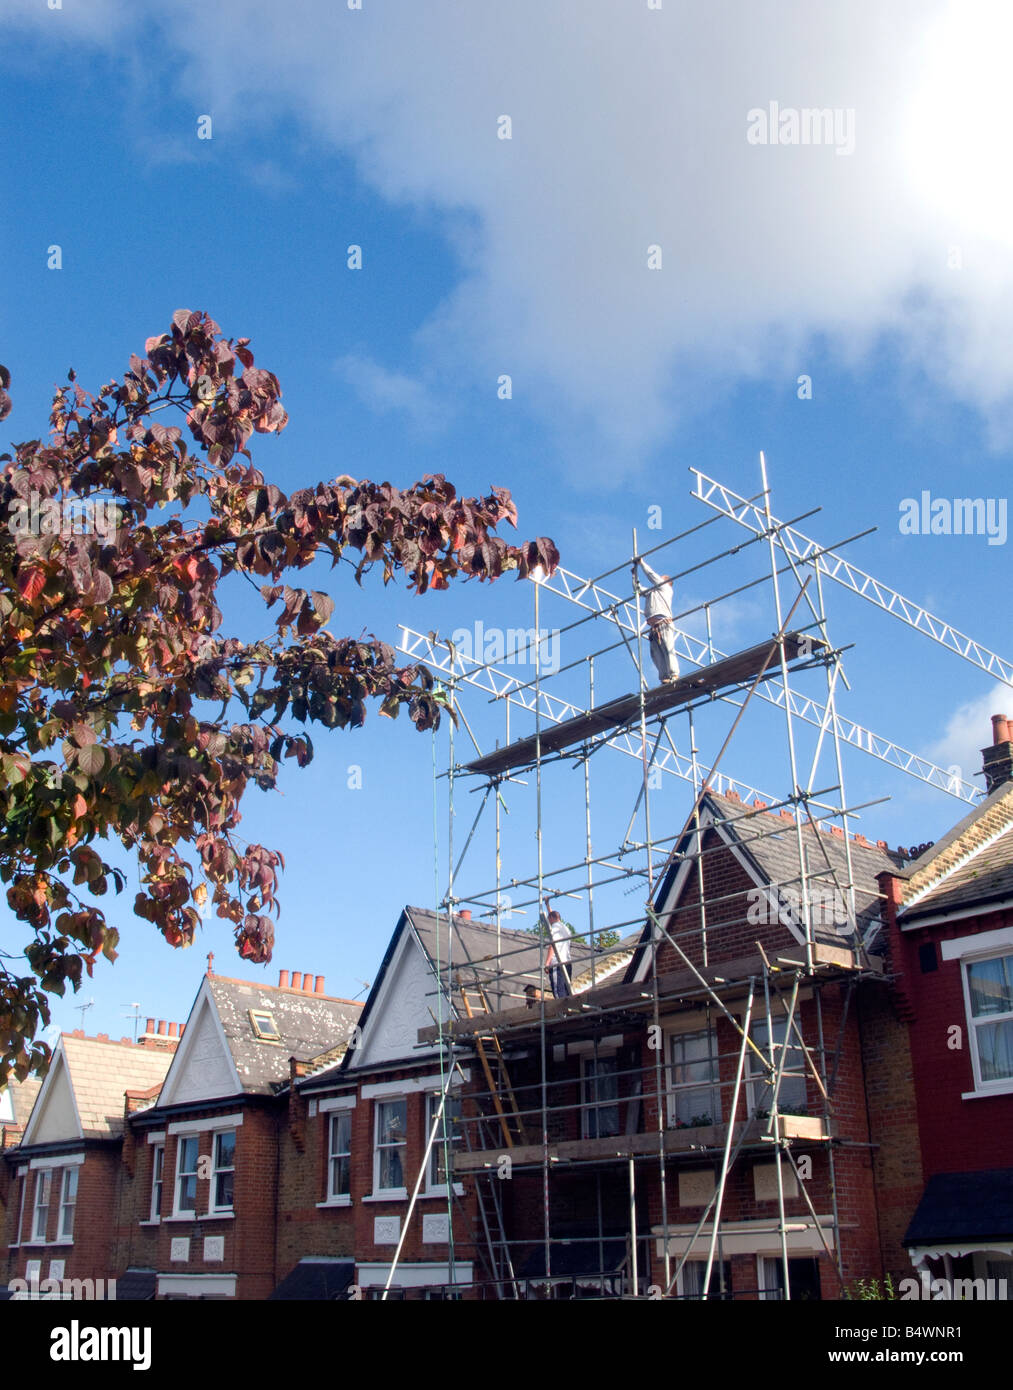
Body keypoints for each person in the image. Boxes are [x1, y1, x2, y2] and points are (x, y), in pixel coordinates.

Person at [634, 556, 679, 685]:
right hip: (654, 626)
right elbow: (637, 589)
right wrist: (634, 575)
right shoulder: (653, 593)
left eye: (662, 578)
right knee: (657, 654)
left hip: (664, 623)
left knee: (668, 649)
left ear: (666, 582)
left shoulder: (666, 589)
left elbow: (651, 575)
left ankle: (674, 674)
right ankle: (664, 677)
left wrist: (641, 563)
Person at [539, 903, 573, 998]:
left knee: (558, 991)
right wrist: (548, 905)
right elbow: (554, 915)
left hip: (557, 963)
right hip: (567, 963)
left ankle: (561, 1011)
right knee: (567, 990)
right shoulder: (565, 928)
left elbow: (553, 946)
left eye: (549, 920)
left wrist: (547, 963)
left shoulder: (554, 928)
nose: (549, 923)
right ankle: (567, 1010)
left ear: (551, 919)